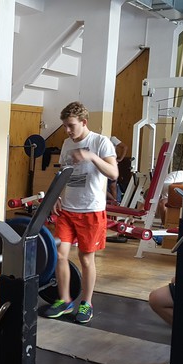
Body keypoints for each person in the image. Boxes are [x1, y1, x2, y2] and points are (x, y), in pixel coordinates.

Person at [42, 102, 119, 324]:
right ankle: (65, 300)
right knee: (60, 255)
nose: (67, 130)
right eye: (65, 126)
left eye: (71, 126)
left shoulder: (100, 142)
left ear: (83, 122)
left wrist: (91, 157)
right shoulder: (67, 144)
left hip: (91, 211)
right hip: (67, 210)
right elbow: (64, 173)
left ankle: (86, 303)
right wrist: (56, 196)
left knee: (86, 259)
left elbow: (113, 173)